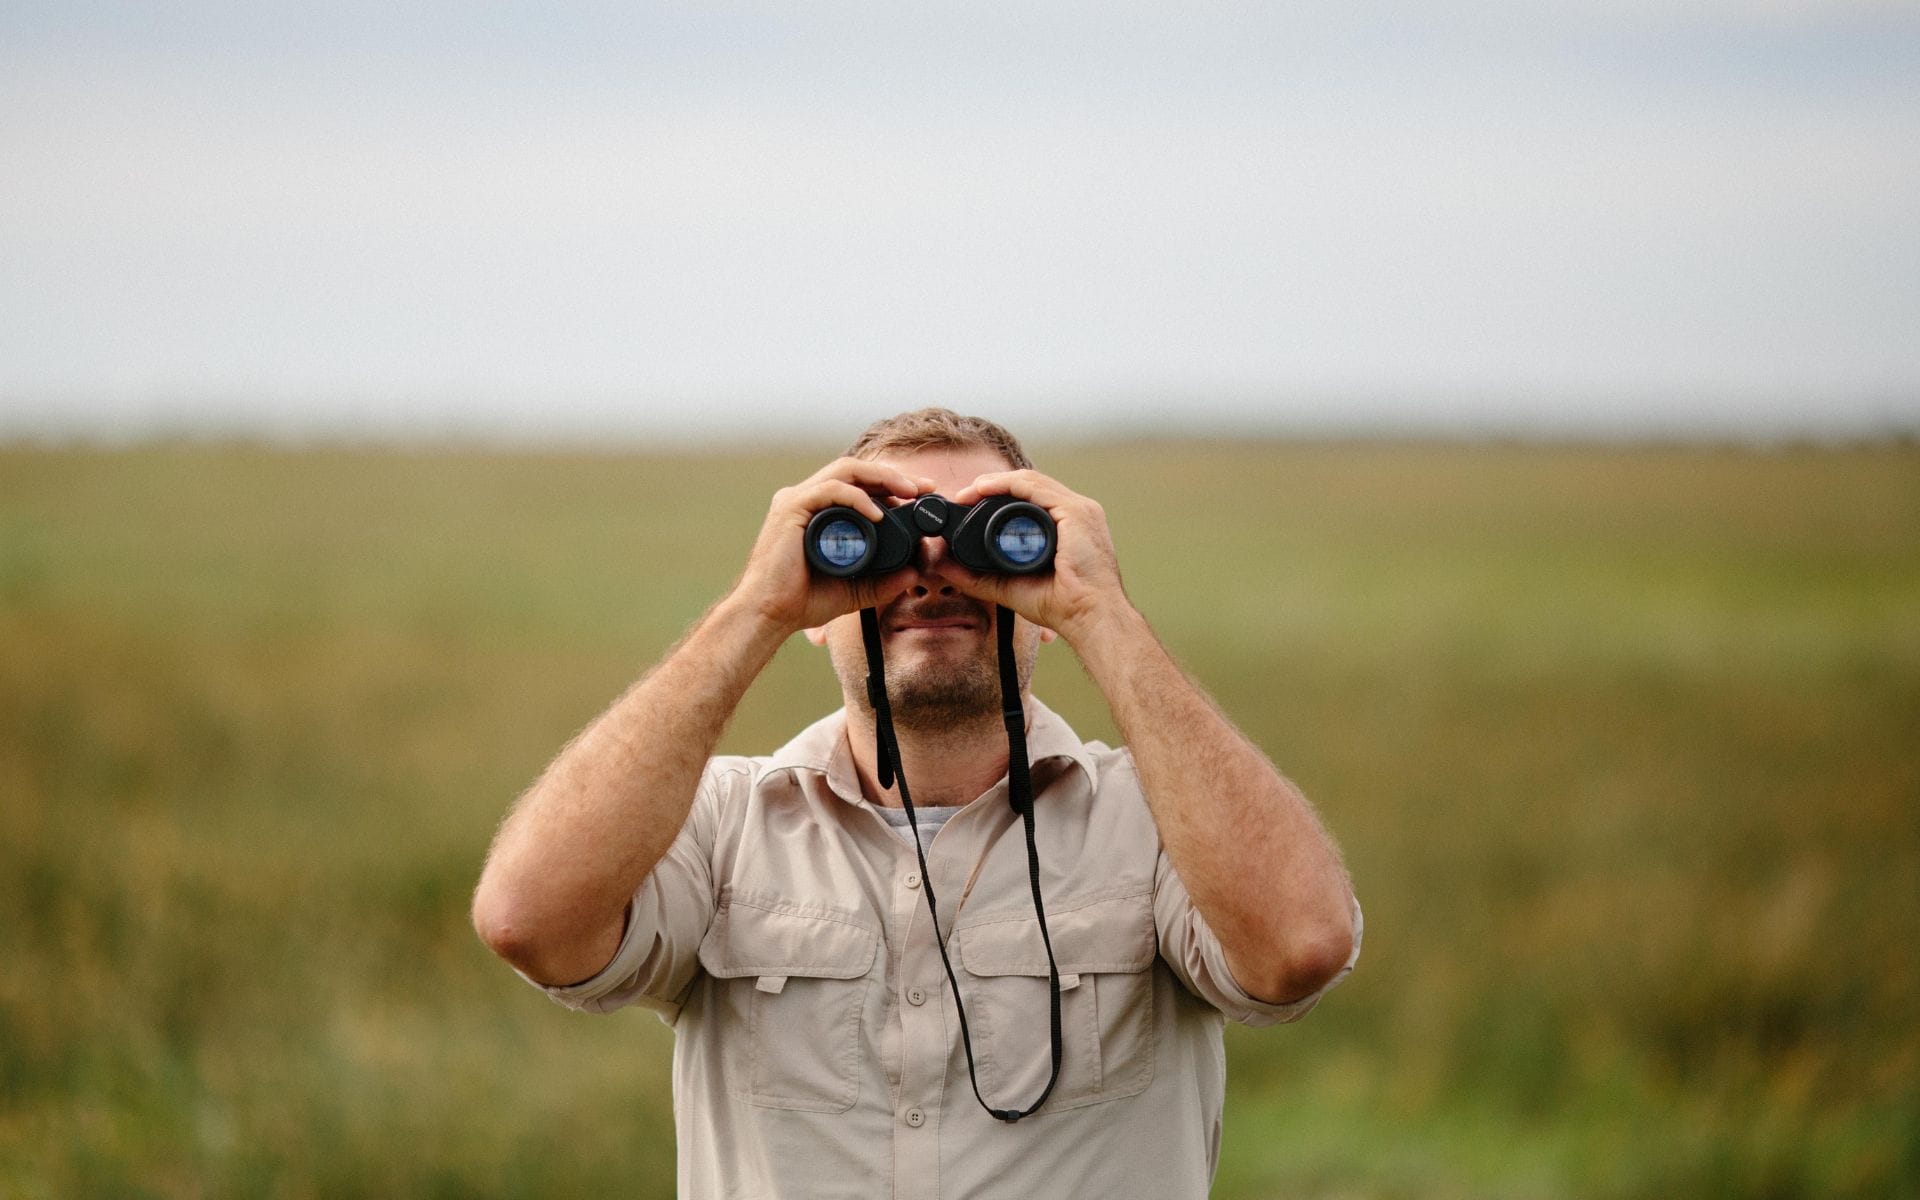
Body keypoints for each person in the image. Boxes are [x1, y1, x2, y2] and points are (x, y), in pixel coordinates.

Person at [472, 408, 1362, 1199]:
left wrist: (1103, 611)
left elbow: (1299, 949)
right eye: (882, 537)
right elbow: (529, 921)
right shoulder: (720, 824)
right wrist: (755, 609)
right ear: (818, 602)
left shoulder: (1157, 822)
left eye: (986, 534)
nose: (932, 574)